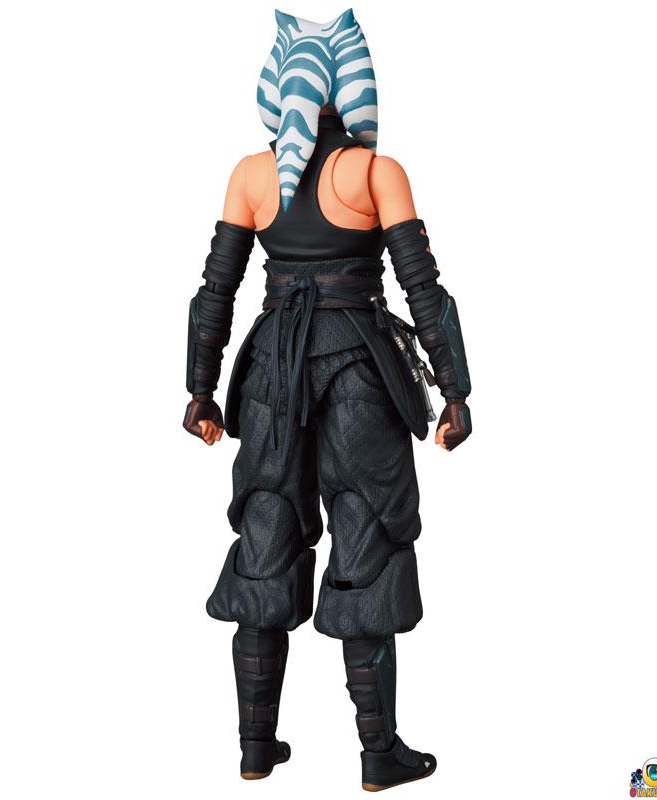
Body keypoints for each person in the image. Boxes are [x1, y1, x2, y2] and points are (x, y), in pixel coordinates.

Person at [183, 9, 472, 792]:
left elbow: (215, 292)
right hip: (358, 372)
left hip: (271, 373)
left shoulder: (251, 175)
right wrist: (455, 392)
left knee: (266, 533)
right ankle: (378, 755)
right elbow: (424, 289)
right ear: (355, 87)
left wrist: (201, 390)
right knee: (366, 539)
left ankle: (255, 749)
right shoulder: (376, 172)